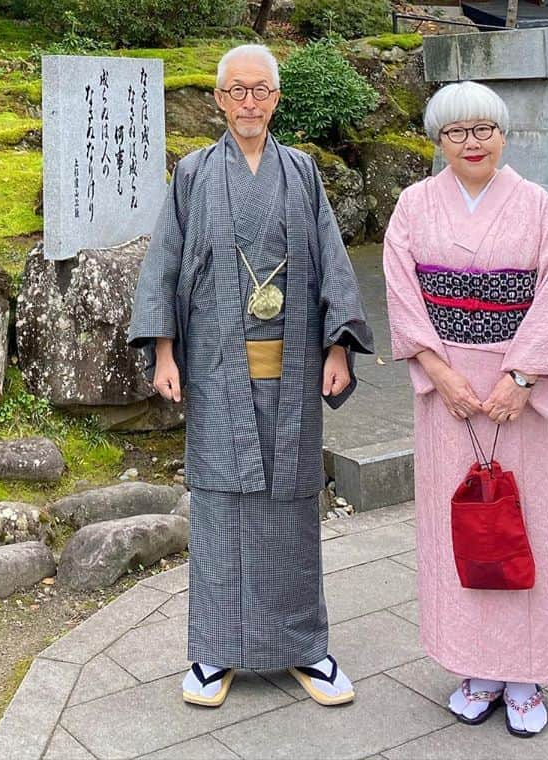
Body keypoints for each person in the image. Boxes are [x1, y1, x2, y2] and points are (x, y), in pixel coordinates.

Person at [128, 43, 373, 708]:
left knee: (292, 507)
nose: (248, 103)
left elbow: (331, 260)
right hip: (216, 373)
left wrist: (338, 347)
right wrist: (165, 352)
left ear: (276, 97)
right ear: (217, 99)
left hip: (292, 371)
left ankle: (306, 649)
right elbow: (165, 265)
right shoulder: (196, 173)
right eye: (235, 91)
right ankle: (214, 652)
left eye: (260, 90)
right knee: (220, 507)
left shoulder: (302, 173)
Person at [383, 81, 548, 737]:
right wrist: (439, 373)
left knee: (528, 524)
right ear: (439, 141)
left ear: (503, 135)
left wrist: (523, 376)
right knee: (461, 526)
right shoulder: (415, 207)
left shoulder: (536, 208)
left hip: (517, 394)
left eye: (484, 130)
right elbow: (402, 291)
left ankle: (527, 670)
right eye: (456, 132)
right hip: (449, 393)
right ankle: (474, 666)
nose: (472, 143)